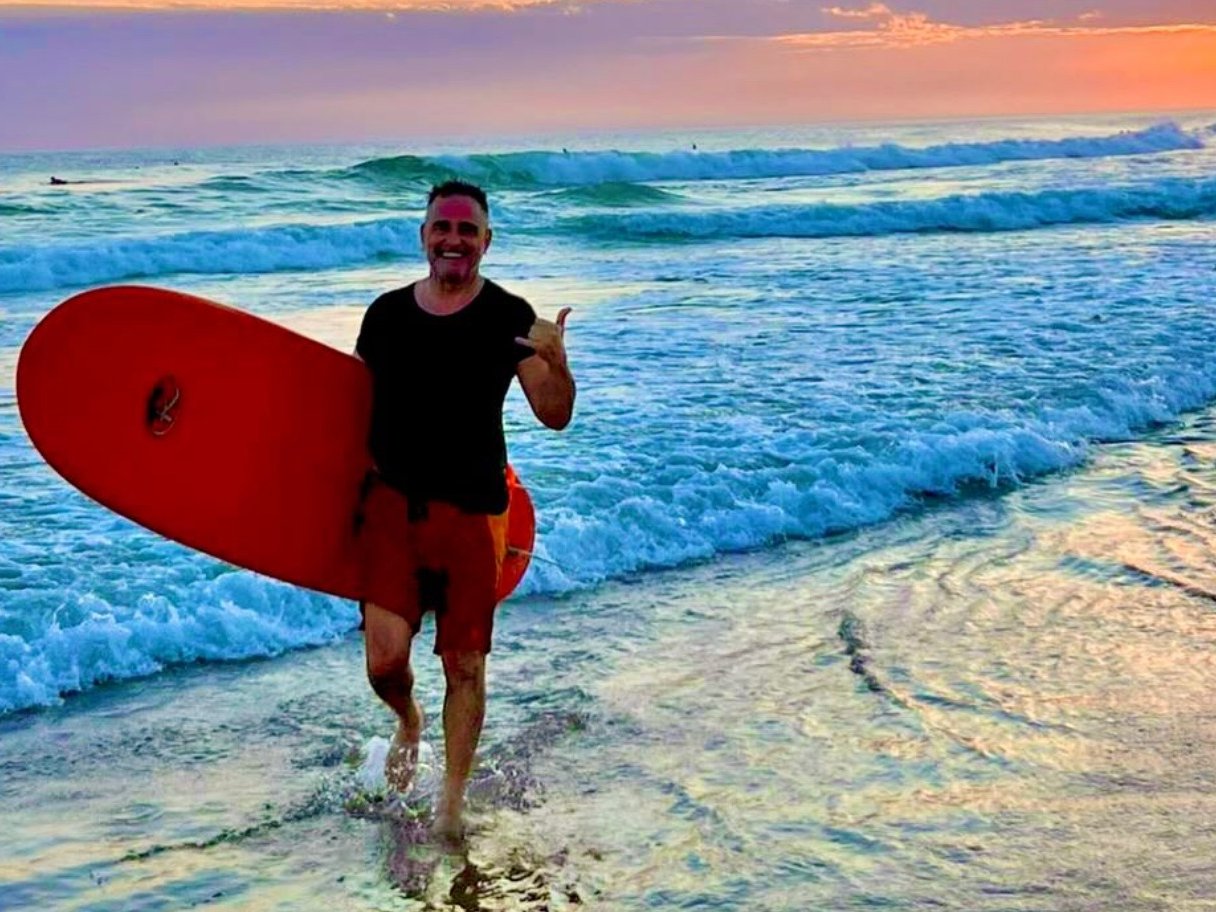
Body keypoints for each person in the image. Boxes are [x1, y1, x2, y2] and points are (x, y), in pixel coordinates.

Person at [354, 179, 575, 840]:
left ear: (486, 240)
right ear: (424, 236)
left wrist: (557, 363)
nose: (454, 239)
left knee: (466, 664)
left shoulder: (510, 316)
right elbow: (347, 409)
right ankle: (408, 720)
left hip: (475, 512)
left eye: (467, 229)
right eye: (442, 227)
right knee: (384, 662)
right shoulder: (385, 316)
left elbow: (554, 414)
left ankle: (450, 802)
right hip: (392, 507)